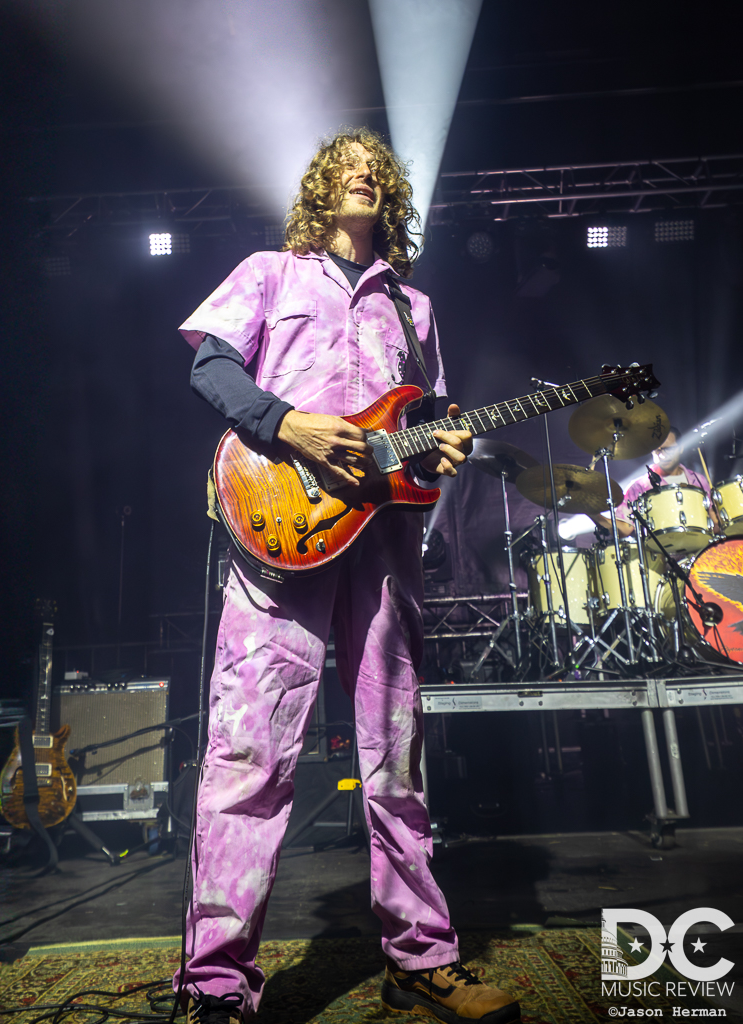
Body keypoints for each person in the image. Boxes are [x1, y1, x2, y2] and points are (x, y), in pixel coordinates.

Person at [174, 127, 521, 1024]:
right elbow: (210, 363)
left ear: (389, 194)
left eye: (376, 168)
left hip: (382, 546)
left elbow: (431, 419)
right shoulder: (269, 272)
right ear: (323, 188)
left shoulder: (416, 307)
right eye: (345, 165)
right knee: (249, 755)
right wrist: (284, 423)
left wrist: (448, 442)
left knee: (395, 755)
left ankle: (421, 956)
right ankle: (217, 983)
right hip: (279, 532)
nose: (361, 173)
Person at [591, 427, 712, 537]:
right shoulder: (639, 486)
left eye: (668, 449)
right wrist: (594, 514)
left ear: (680, 448)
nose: (663, 456)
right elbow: (624, 529)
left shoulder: (698, 480)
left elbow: (714, 521)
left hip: (701, 553)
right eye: (657, 451)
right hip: (662, 556)